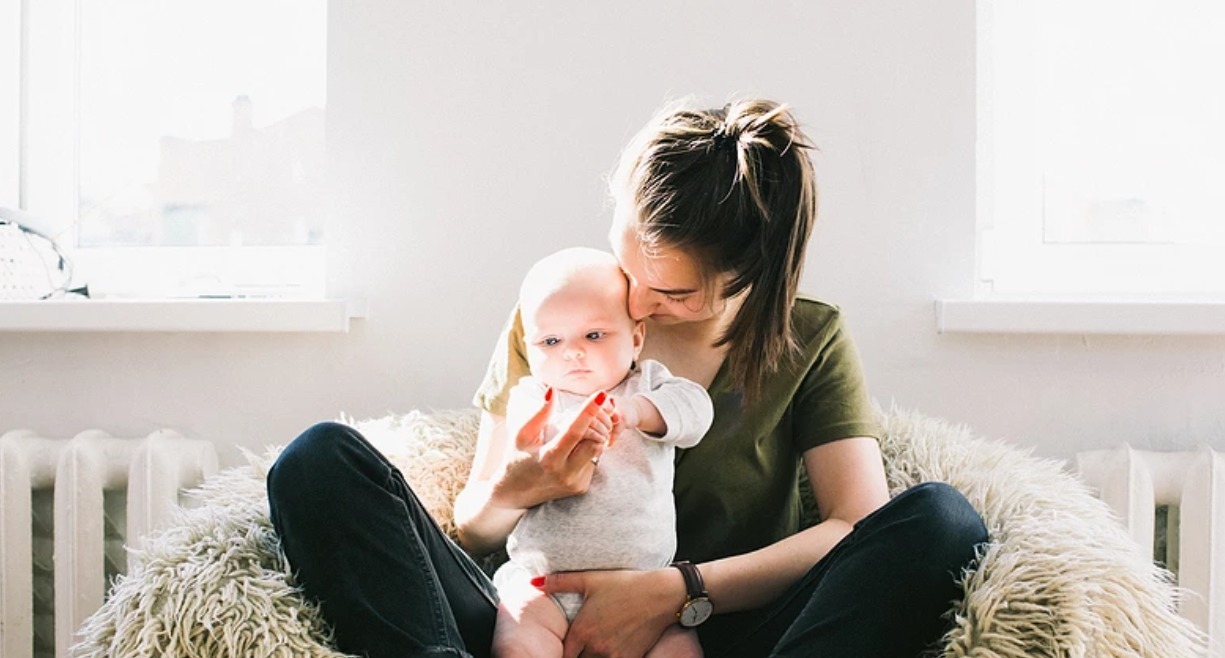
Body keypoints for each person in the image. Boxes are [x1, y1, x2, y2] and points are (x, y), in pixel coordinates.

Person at [267, 97, 989, 658]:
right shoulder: (567, 314)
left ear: (752, 278)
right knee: (316, 462)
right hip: (534, 620)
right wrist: (519, 489)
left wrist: (676, 594)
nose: (637, 305)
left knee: (941, 522)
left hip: (723, 630)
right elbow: (474, 531)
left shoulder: (810, 338)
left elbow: (852, 525)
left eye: (674, 294)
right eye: (627, 265)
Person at [491, 246, 711, 658]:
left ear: (637, 337)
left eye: (594, 335)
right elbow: (521, 440)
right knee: (516, 641)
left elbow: (697, 412)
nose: (572, 352)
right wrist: (537, 430)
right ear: (530, 347)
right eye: (551, 341)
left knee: (679, 649)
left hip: (643, 591)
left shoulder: (647, 385)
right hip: (544, 585)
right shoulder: (537, 394)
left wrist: (634, 412)